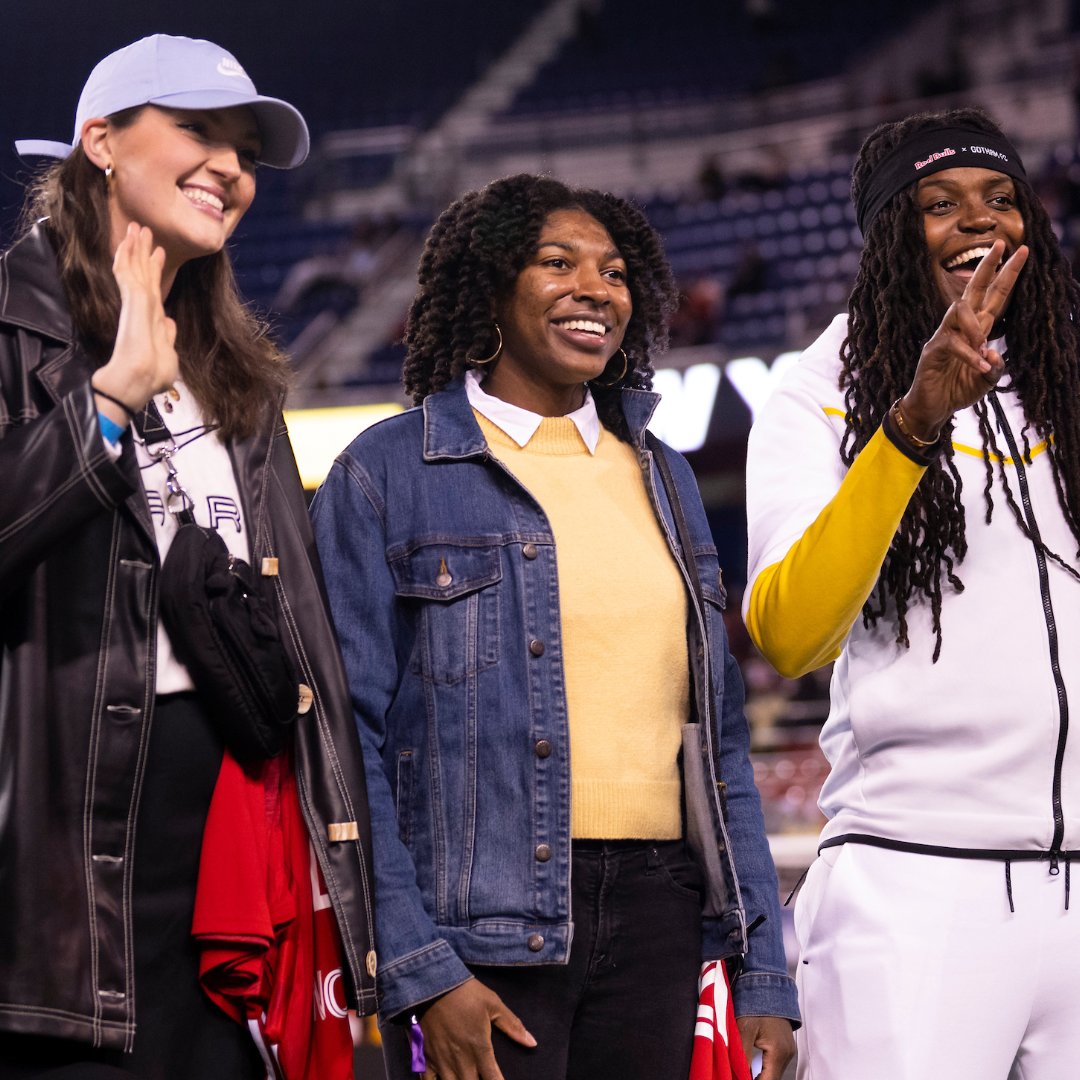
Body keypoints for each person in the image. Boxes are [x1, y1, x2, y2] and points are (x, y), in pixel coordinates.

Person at [311, 173, 798, 1080]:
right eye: (557, 262)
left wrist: (764, 967)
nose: (595, 288)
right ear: (492, 286)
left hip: (660, 921)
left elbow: (720, 745)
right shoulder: (386, 472)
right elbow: (346, 745)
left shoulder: (664, 476)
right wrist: (423, 971)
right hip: (483, 934)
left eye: (614, 272)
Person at [0, 34, 377, 1079]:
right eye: (201, 131)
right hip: (57, 899)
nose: (232, 168)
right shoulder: (7, 327)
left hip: (226, 873)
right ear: (101, 142)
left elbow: (301, 630)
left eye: (246, 150)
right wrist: (108, 402)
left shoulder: (239, 374)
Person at [743, 106, 1080, 1078]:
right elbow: (792, 633)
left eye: (1000, 197)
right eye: (940, 203)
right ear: (893, 233)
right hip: (919, 881)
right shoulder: (821, 391)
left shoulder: (1066, 381)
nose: (979, 222)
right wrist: (914, 424)